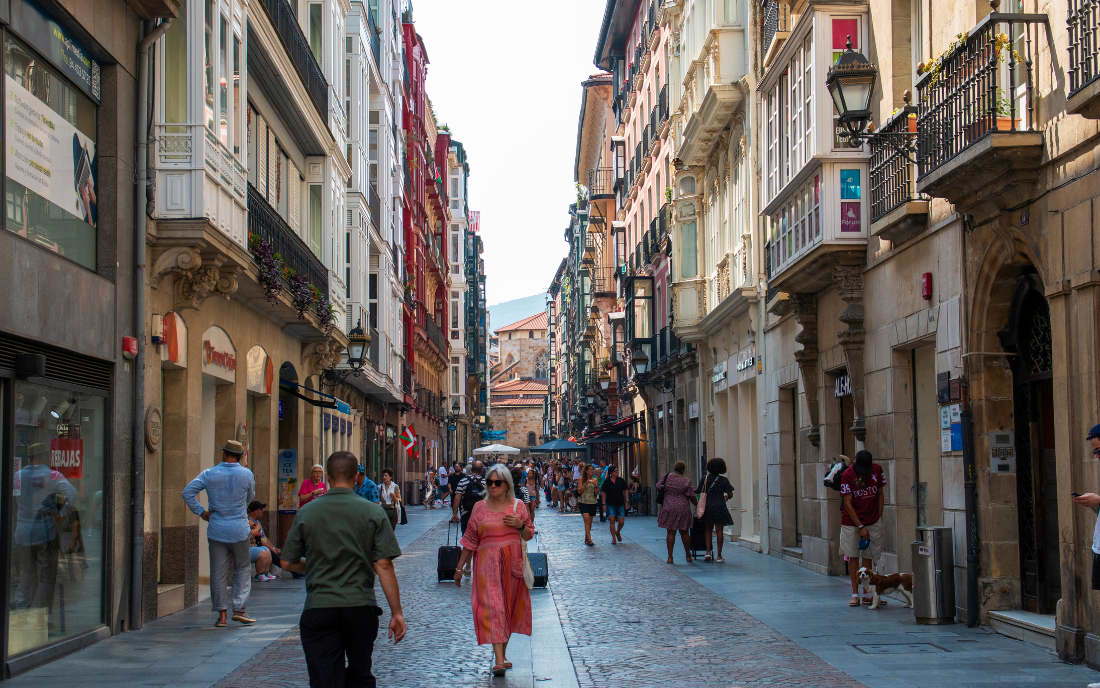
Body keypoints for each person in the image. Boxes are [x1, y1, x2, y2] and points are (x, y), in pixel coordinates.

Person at [277, 451, 405, 687]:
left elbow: (286, 562)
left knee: (324, 678)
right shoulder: (373, 513)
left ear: (326, 477)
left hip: (320, 607)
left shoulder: (307, 512)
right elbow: (384, 565)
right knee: (360, 674)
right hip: (360, 607)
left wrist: (310, 564)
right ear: (357, 476)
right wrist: (396, 613)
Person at [453, 464, 534, 677]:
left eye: (497, 482)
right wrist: (459, 567)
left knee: (508, 610)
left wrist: (519, 525)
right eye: (489, 482)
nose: (493, 486)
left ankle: (502, 654)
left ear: (507, 484)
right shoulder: (479, 508)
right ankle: (499, 659)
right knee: (495, 608)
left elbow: (529, 534)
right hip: (486, 567)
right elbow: (470, 540)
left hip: (512, 565)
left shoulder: (518, 507)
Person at [181, 440, 257, 627]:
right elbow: (250, 497)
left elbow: (187, 492)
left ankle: (222, 615)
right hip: (239, 528)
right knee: (242, 568)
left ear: (224, 454)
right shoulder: (247, 474)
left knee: (218, 572)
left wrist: (201, 512)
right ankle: (239, 609)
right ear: (240, 456)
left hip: (217, 529)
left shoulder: (209, 474)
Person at [13, 443, 76, 612]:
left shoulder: (17, 476)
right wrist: (61, 514)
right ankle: (40, 616)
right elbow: (72, 494)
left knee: (26, 574)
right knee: (46, 577)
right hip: (44, 534)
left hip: (22, 533)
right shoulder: (53, 475)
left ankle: (22, 609)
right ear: (44, 456)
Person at [839, 449, 885, 606]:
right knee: (853, 557)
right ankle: (854, 593)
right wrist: (860, 526)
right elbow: (847, 503)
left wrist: (878, 515)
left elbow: (880, 493)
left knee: (868, 556)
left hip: (872, 520)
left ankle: (867, 593)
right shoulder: (848, 475)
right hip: (851, 522)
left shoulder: (877, 470)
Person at [656, 461, 697, 564]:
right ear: (683, 469)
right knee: (684, 532)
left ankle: (670, 557)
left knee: (670, 532)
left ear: (675, 468)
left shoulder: (667, 476)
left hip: (669, 506)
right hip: (682, 507)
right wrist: (697, 505)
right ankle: (688, 556)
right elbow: (691, 495)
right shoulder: (686, 481)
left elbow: (658, 486)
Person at [696, 458, 735, 562]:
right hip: (720, 507)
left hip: (707, 507)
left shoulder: (705, 478)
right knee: (719, 531)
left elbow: (699, 490)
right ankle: (719, 556)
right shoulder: (724, 480)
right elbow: (730, 494)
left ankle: (708, 552)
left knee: (708, 530)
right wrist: (726, 497)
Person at [247, 501, 280, 581]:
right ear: (255, 511)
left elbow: (264, 537)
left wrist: (273, 547)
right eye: (261, 509)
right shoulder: (249, 522)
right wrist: (272, 549)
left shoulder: (258, 522)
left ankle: (266, 573)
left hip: (259, 546)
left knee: (268, 551)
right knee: (263, 552)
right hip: (251, 547)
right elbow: (258, 539)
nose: (263, 511)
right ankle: (260, 574)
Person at [601, 466, 629, 544]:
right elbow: (603, 493)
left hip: (620, 503)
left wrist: (627, 501)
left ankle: (618, 532)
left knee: (621, 521)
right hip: (610, 503)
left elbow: (626, 490)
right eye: (615, 471)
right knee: (612, 520)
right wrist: (603, 503)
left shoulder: (621, 480)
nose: (617, 472)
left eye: (617, 470)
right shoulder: (607, 482)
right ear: (611, 473)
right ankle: (613, 538)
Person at [577, 464, 599, 546]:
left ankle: (586, 537)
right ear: (586, 471)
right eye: (590, 470)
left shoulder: (595, 480)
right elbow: (579, 491)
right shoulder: (581, 480)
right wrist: (585, 484)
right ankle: (590, 540)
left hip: (592, 502)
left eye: (593, 470)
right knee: (586, 520)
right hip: (583, 502)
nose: (592, 472)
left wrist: (596, 486)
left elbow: (597, 493)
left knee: (590, 522)